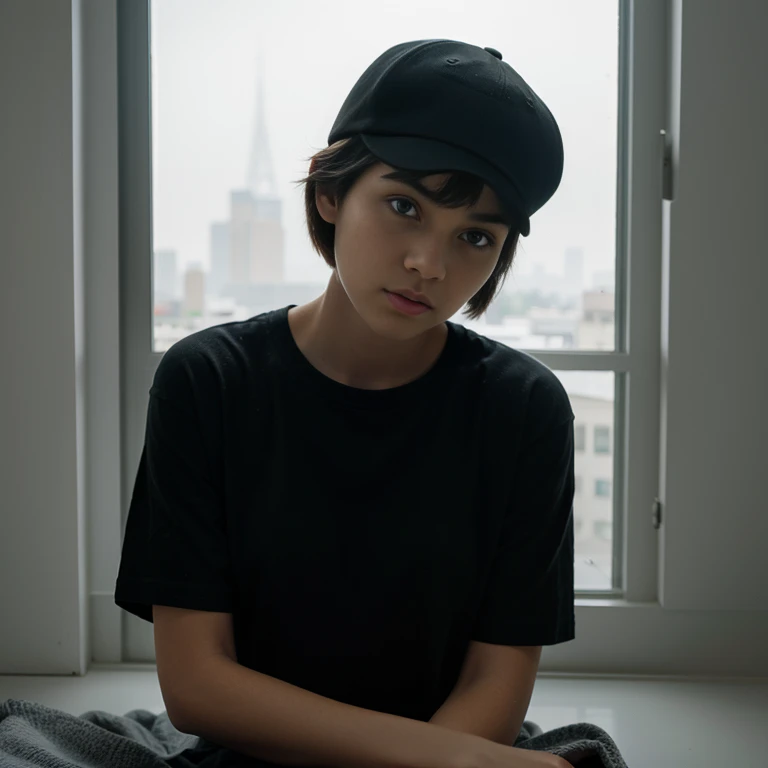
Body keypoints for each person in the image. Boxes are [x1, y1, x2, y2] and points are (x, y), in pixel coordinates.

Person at [115, 39, 576, 768]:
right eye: (404, 205)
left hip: (451, 752)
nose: (430, 263)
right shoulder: (209, 382)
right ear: (330, 193)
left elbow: (497, 678)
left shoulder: (526, 409)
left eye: (475, 237)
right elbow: (197, 685)